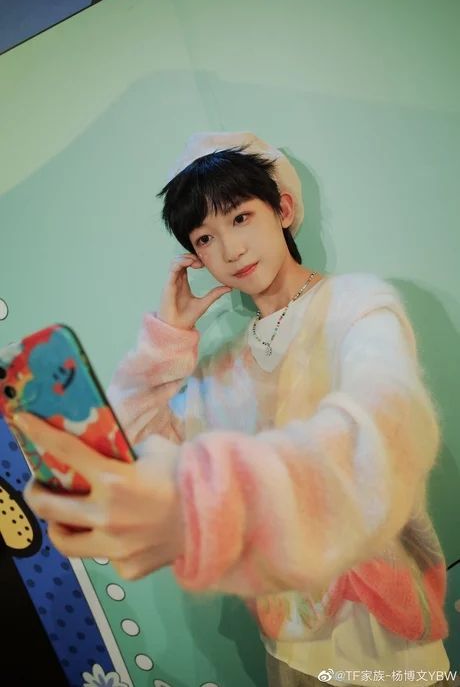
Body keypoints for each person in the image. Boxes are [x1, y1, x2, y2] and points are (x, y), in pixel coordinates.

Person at [17, 132, 452, 687]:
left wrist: (222, 493)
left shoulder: (358, 307)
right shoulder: (227, 364)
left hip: (386, 645)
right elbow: (135, 450)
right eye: (205, 238)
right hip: (289, 644)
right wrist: (168, 339)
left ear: (283, 210)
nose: (231, 250)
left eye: (241, 218)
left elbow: (381, 428)